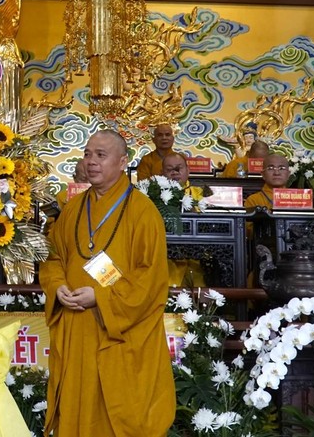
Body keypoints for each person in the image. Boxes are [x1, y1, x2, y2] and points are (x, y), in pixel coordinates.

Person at [40, 130, 175, 436]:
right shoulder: (73, 209)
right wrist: (57, 286)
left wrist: (100, 297)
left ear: (123, 161)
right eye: (88, 154)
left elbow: (151, 279)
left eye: (101, 155)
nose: (91, 162)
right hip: (77, 327)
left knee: (119, 412)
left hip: (117, 330)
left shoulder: (143, 212)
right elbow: (53, 259)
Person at [162, 152, 208, 288]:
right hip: (165, 256)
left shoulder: (200, 193)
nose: (175, 173)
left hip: (195, 256)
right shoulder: (154, 194)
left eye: (179, 168)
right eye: (169, 169)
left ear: (188, 170)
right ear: (161, 172)